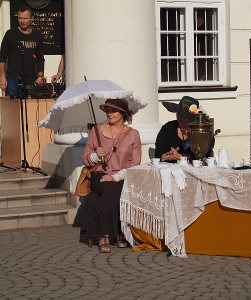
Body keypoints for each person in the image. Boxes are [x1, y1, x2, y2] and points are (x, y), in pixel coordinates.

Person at [81, 98, 142, 253]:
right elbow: (85, 155)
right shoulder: (96, 130)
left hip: (122, 176)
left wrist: (116, 177)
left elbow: (135, 162)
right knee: (110, 189)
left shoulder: (133, 134)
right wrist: (96, 155)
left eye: (113, 111)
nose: (109, 114)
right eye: (107, 111)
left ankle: (104, 234)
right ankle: (117, 233)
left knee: (109, 191)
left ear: (123, 114)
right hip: (99, 176)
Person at [0, 6, 44, 96]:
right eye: (20, 18)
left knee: (30, 109)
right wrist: (2, 77)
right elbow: (2, 57)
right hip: (13, 81)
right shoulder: (10, 34)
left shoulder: (37, 36)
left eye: (25, 18)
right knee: (12, 109)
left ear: (32, 18)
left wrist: (40, 76)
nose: (22, 21)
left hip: (31, 81)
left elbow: (40, 58)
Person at [155, 95, 214, 162]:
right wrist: (166, 156)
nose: (180, 116)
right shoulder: (168, 127)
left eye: (183, 115)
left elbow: (205, 152)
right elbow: (159, 151)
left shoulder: (202, 130)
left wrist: (180, 157)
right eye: (178, 113)